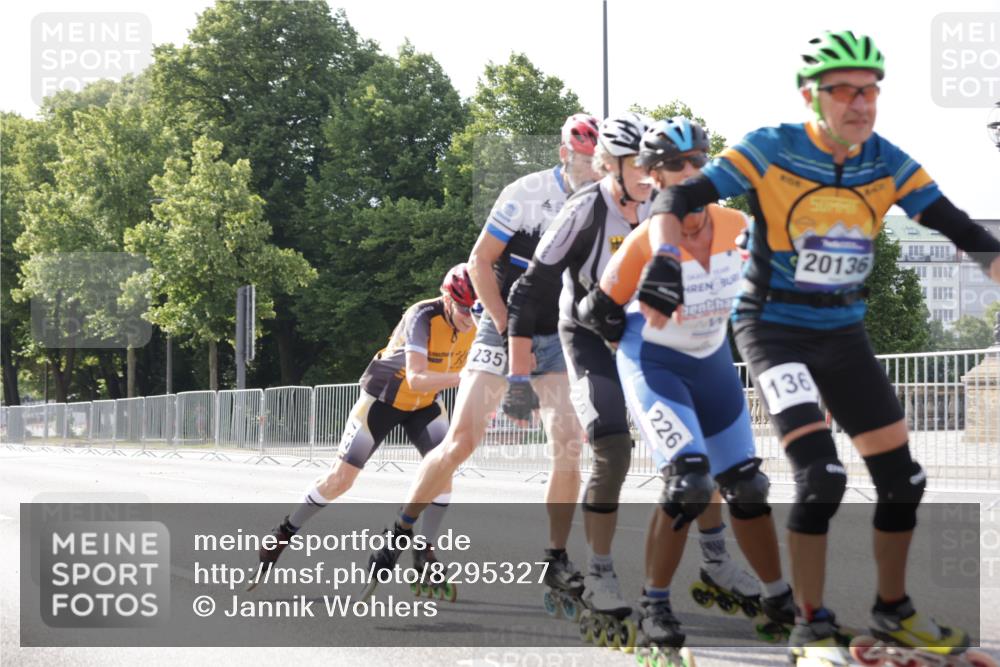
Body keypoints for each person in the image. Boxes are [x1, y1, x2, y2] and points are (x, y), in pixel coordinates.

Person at [639, 30, 1000, 665]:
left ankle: (893, 615)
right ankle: (810, 626)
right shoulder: (771, 148)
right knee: (821, 476)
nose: (861, 104)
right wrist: (666, 258)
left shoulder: (885, 159)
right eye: (845, 91)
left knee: (903, 479)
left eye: (871, 91)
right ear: (812, 96)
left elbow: (961, 228)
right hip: (774, 331)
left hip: (843, 333)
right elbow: (678, 195)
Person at [506, 112, 761, 631]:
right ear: (609, 165)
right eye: (634, 167)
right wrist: (517, 375)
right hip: (588, 335)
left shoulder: (673, 199)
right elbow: (530, 287)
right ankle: (599, 571)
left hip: (649, 334)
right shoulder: (584, 210)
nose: (649, 177)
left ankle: (715, 560)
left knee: (700, 451)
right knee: (612, 447)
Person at [580, 117, 795, 652]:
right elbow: (595, 310)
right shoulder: (641, 242)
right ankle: (655, 604)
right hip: (655, 365)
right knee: (689, 484)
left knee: (746, 485)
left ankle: (778, 596)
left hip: (712, 362)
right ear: (653, 178)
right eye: (677, 165)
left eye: (700, 160)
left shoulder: (736, 224)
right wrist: (617, 342)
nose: (692, 171)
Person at [365, 114, 602, 593]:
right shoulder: (526, 193)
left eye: (598, 164)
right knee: (462, 442)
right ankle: (400, 530)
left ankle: (555, 558)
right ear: (563, 155)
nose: (591, 172)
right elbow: (479, 262)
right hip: (500, 326)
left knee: (569, 447)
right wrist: (504, 327)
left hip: (555, 335)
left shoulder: (604, 202)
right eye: (582, 162)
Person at [252, 264, 478, 591]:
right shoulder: (422, 317)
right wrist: (467, 377)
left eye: (476, 309)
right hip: (383, 401)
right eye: (463, 309)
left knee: (445, 467)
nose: (470, 318)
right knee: (340, 480)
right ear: (446, 298)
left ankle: (425, 550)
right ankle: (285, 530)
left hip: (424, 405)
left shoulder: (480, 320)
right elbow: (416, 377)